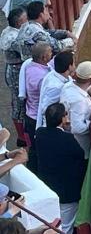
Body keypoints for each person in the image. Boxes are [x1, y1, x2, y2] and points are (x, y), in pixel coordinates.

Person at [35, 102, 86, 234]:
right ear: (63, 119)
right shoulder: (67, 138)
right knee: (65, 231)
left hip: (47, 188)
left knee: (52, 226)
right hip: (66, 192)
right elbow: (80, 154)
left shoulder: (40, 134)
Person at [60, 60, 91, 157]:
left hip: (70, 142)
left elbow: (88, 86)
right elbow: (77, 128)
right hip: (80, 146)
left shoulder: (68, 86)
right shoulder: (79, 101)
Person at [21, 40, 52, 171]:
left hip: (30, 115)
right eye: (50, 52)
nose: (52, 54)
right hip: (36, 119)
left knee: (35, 150)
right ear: (44, 57)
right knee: (39, 152)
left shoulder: (30, 67)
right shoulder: (41, 77)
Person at [1, 8, 27, 132]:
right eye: (25, 20)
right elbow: (26, 53)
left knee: (17, 100)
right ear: (18, 23)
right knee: (19, 102)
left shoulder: (8, 31)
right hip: (16, 71)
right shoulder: (14, 37)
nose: (27, 22)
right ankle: (21, 137)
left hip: (12, 69)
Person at [36, 51, 74, 129]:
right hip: (54, 128)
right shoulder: (56, 87)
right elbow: (46, 109)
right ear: (70, 66)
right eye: (74, 63)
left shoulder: (55, 75)